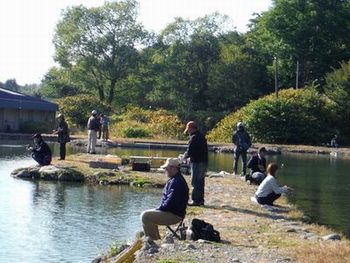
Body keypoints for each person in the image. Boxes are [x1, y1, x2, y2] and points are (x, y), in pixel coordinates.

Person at [141, 158, 189, 240]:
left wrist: (159, 209)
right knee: (149, 214)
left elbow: (170, 202)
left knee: (145, 216)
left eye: (166, 168)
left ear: (173, 168)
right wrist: (159, 209)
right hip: (173, 212)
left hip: (174, 215)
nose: (165, 170)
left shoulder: (177, 182)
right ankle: (156, 239)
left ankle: (153, 242)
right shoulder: (175, 180)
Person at [183, 121, 208, 206]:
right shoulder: (202, 136)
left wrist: (183, 157)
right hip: (204, 162)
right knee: (201, 181)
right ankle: (201, 200)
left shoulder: (193, 138)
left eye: (188, 130)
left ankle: (195, 200)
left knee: (195, 181)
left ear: (190, 128)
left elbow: (190, 152)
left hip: (197, 162)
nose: (188, 132)